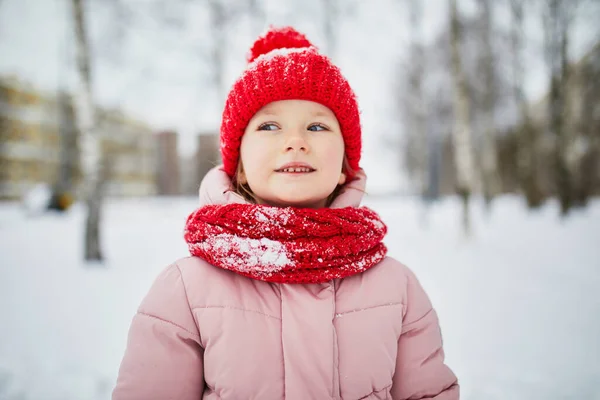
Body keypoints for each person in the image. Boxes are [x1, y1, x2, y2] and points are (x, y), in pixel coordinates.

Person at [112, 26, 459, 400]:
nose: (296, 141)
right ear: (239, 166)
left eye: (317, 125)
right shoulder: (185, 289)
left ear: (344, 165)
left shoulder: (396, 287)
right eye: (269, 126)